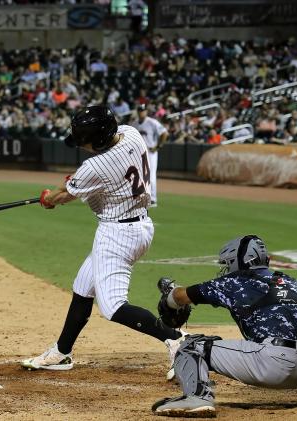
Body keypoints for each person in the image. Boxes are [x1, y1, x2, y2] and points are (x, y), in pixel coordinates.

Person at [21, 105, 183, 372]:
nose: (81, 146)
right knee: (83, 288)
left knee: (113, 307)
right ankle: (61, 352)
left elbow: (61, 196)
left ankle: (176, 340)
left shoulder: (95, 165)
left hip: (117, 234)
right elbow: (85, 183)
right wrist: (72, 184)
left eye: (83, 141)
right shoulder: (131, 133)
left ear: (96, 140)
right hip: (140, 225)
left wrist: (48, 198)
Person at [152, 235, 297, 417]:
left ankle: (196, 398)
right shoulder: (295, 283)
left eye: (228, 263)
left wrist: (169, 297)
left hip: (275, 366)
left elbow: (181, 296)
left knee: (190, 346)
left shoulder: (233, 282)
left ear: (236, 261)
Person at [131, 104, 167, 207]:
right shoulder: (134, 124)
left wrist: (158, 146)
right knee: (139, 176)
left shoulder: (152, 122)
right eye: (140, 110)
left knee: (150, 176)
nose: (141, 112)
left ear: (146, 111)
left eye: (143, 110)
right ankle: (142, 197)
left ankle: (153, 199)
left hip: (151, 153)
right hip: (139, 154)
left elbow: (164, 133)